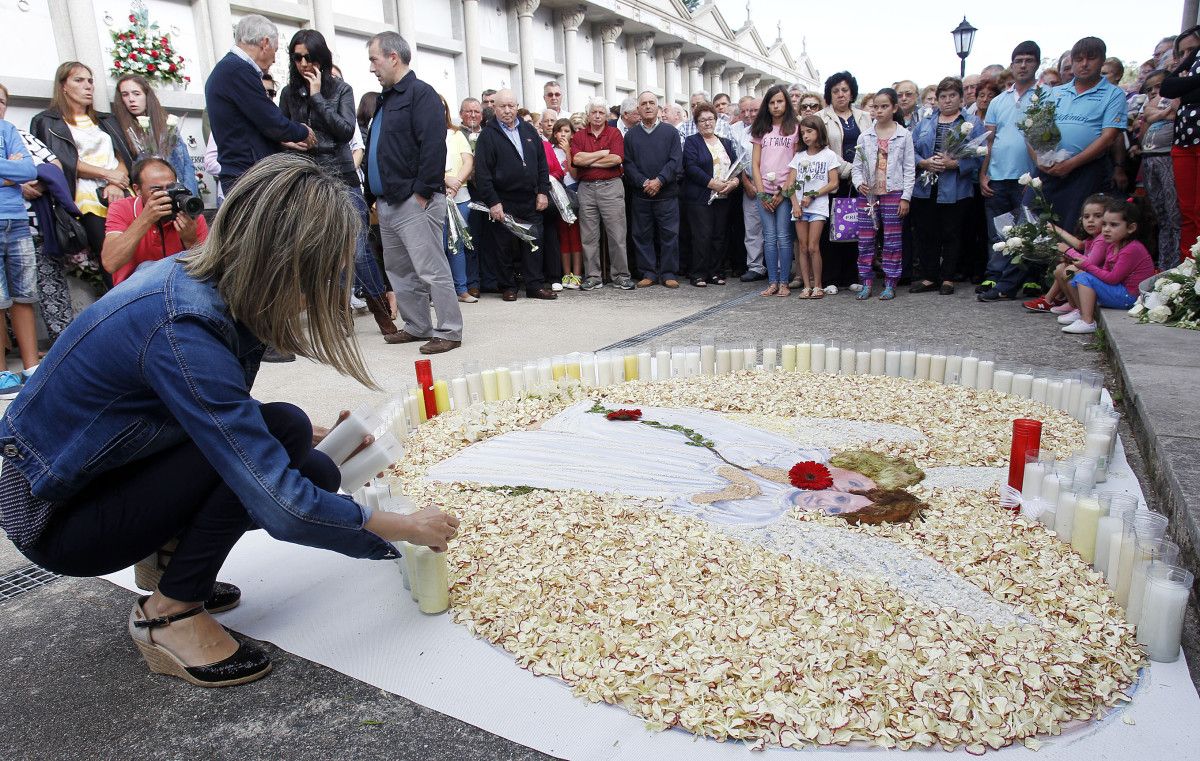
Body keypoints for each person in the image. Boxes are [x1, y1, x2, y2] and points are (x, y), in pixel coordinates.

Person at [0, 154, 460, 688]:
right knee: (288, 473)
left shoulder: (195, 278)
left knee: (289, 429)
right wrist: (404, 528)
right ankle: (170, 612)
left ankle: (166, 559)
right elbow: (282, 507)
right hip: (57, 517)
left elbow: (208, 411)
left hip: (86, 480)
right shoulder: (182, 325)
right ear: (288, 260)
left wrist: (321, 439)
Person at [279, 29, 398, 342]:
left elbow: (345, 132)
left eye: (309, 56)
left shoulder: (341, 89)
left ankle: (382, 315)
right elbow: (278, 133)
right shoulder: (288, 94)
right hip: (306, 181)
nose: (303, 62)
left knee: (358, 251)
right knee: (325, 252)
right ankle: (339, 315)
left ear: (321, 56)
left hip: (342, 179)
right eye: (297, 57)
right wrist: (292, 142)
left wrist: (318, 97)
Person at [365, 31, 461, 354]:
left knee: (431, 268)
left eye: (374, 60)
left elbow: (434, 144)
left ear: (393, 57)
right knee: (400, 271)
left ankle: (449, 330)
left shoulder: (421, 94)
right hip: (388, 202)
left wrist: (421, 193)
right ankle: (418, 325)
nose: (371, 68)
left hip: (413, 201)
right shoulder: (386, 98)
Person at [31, 62, 135, 267]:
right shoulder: (47, 121)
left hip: (121, 191)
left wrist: (116, 183)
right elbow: (58, 162)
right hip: (84, 197)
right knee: (111, 260)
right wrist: (107, 175)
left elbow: (123, 157)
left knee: (137, 252)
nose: (88, 86)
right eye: (79, 80)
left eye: (90, 81)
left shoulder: (107, 120)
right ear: (64, 87)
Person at [204, 15, 315, 194]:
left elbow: (250, 125)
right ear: (265, 43)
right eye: (276, 51)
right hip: (248, 176)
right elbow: (271, 121)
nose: (275, 59)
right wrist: (302, 132)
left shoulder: (227, 69)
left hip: (242, 174)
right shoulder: (237, 70)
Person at [1037, 38, 1126, 235]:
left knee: (1074, 228)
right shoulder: (1054, 93)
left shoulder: (1113, 94)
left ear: (1102, 60)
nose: (1084, 64)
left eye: (1091, 58)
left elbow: (1109, 136)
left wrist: (1071, 164)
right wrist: (1039, 161)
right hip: (1048, 170)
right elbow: (1032, 128)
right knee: (1035, 225)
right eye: (1078, 59)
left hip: (1086, 171)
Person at [471, 89, 553, 301]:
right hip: (503, 200)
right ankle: (507, 286)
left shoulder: (529, 130)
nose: (507, 111)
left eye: (511, 106)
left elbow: (542, 164)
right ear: (494, 108)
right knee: (503, 245)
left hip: (531, 198)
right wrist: (493, 202)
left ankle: (534, 285)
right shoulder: (488, 135)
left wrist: (543, 192)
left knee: (534, 241)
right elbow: (482, 173)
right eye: (502, 106)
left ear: (517, 106)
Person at [978, 41, 1042, 303]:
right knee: (1001, 230)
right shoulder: (998, 101)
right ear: (1012, 65)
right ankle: (995, 274)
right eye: (1019, 60)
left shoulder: (1047, 96)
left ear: (1037, 63)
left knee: (1030, 230)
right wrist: (984, 173)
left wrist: (1038, 175)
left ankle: (1030, 278)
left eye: (1028, 60)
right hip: (998, 175)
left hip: (1029, 176)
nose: (1023, 65)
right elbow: (989, 140)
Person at [908, 77, 985, 296]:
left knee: (952, 232)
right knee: (926, 232)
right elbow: (909, 151)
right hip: (925, 187)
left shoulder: (971, 123)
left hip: (955, 188)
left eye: (952, 96)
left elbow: (979, 155)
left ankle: (948, 277)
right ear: (937, 100)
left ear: (961, 98)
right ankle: (929, 276)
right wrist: (923, 162)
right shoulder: (925, 122)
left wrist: (956, 164)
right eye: (943, 96)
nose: (947, 100)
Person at [101, 157, 208, 285]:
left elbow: (206, 270)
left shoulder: (189, 211)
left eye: (171, 188)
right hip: (133, 291)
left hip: (178, 288)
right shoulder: (122, 208)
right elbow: (110, 263)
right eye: (157, 190)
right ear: (137, 189)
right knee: (146, 267)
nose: (166, 195)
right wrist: (145, 219)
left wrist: (191, 240)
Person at [851, 88, 915, 301]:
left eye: (884, 106)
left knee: (892, 239)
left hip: (893, 193)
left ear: (894, 108)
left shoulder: (903, 135)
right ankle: (866, 282)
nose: (879, 111)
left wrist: (906, 197)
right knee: (866, 239)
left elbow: (909, 168)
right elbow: (857, 166)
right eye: (875, 107)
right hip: (868, 195)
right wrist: (859, 183)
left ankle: (890, 282)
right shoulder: (866, 135)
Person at [1055, 198, 1154, 334]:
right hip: (1120, 291)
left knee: (1084, 278)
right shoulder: (1113, 245)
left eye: (1113, 225)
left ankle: (1087, 321)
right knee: (1076, 275)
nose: (1106, 230)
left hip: (1130, 298)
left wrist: (1086, 266)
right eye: (1104, 224)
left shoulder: (1132, 249)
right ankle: (1081, 311)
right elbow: (1105, 271)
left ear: (1131, 228)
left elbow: (1113, 278)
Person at [571, 97, 635, 291]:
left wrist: (588, 161)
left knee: (617, 234)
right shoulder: (580, 135)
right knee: (588, 236)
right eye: (593, 112)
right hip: (587, 189)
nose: (597, 115)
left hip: (611, 186)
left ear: (606, 114)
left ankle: (621, 275)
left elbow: (616, 159)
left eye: (601, 112)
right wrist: (601, 154)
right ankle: (593, 276)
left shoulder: (614, 133)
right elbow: (576, 159)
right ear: (588, 115)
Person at [818, 72, 872, 292]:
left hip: (859, 183)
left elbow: (870, 146)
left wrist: (859, 173)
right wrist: (849, 170)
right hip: (833, 180)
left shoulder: (864, 116)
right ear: (829, 94)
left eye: (844, 90)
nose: (840, 94)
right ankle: (831, 278)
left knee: (854, 227)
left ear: (852, 93)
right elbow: (823, 149)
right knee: (831, 228)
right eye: (835, 91)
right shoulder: (822, 117)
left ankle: (852, 275)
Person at [623, 91, 683, 288]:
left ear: (658, 108)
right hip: (641, 195)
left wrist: (660, 180)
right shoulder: (631, 135)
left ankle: (668, 273)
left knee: (669, 235)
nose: (648, 106)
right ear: (638, 109)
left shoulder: (671, 132)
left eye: (652, 103)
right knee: (641, 235)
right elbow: (629, 164)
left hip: (666, 194)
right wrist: (644, 182)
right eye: (643, 104)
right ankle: (648, 272)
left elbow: (675, 161)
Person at [0, 113, 38, 396]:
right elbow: (17, 173)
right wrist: (9, 173)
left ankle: (31, 367)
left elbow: (28, 171)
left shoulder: (8, 129)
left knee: (25, 295)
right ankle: (2, 374)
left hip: (17, 221)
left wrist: (14, 175)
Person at [111, 75, 199, 196]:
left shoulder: (165, 124)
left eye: (136, 93)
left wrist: (189, 195)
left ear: (147, 96)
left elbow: (186, 164)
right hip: (148, 197)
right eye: (125, 95)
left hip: (178, 192)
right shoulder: (119, 129)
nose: (131, 99)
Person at [682, 103, 739, 287]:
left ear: (716, 120)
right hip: (700, 197)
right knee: (702, 236)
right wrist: (713, 183)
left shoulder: (726, 143)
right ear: (697, 123)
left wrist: (733, 183)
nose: (707, 123)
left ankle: (716, 272)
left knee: (719, 236)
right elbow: (690, 167)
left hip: (723, 197)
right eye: (702, 120)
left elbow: (735, 168)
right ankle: (698, 274)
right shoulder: (692, 141)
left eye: (710, 119)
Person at [751, 84, 799, 296]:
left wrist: (783, 193)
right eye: (772, 102)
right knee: (769, 237)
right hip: (764, 192)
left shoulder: (795, 128)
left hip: (785, 192)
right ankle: (772, 281)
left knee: (784, 237)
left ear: (786, 102)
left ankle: (784, 282)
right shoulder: (761, 129)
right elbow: (755, 164)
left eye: (780, 101)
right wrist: (761, 193)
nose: (776, 106)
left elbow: (797, 163)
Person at [787, 116, 839, 299]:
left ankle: (818, 285)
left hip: (818, 207)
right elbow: (789, 184)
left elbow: (833, 182)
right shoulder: (799, 156)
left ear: (819, 131)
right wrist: (795, 204)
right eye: (803, 133)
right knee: (802, 247)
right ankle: (806, 286)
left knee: (813, 247)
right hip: (799, 209)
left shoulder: (828, 155)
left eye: (810, 131)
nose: (806, 136)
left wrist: (813, 195)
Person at [1162, 26, 1200, 262]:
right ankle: (1188, 267)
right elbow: (1167, 88)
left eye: (1192, 49)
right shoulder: (1189, 64)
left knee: (1199, 210)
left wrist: (1185, 91)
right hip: (1183, 142)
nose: (1187, 56)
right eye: (1182, 52)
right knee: (1186, 212)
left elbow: (1181, 92)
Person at [1135, 70, 1180, 270]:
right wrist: (1159, 114)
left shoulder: (1178, 98)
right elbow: (1148, 115)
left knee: (1174, 215)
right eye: (1150, 88)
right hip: (1149, 158)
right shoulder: (1153, 104)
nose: (1154, 92)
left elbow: (1174, 112)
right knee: (1160, 215)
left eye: (1159, 86)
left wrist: (1156, 114)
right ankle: (1164, 264)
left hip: (1168, 158)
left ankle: (1178, 264)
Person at [1041, 194, 1108, 314]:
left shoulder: (1102, 239)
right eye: (1086, 216)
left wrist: (1068, 251)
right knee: (1060, 268)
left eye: (1097, 216)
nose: (1091, 220)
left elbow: (1089, 263)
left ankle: (1081, 310)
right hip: (1092, 278)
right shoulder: (1092, 238)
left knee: (1069, 270)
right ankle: (1074, 305)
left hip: (1100, 281)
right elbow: (1080, 246)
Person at [440, 95, 476, 303]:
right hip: (436, 194)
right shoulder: (422, 133)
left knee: (458, 243)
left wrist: (456, 182)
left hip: (460, 195)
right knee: (439, 245)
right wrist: (446, 179)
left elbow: (468, 160)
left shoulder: (456, 134)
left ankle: (461, 289)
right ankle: (442, 292)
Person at [731, 95, 765, 282]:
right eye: (746, 110)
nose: (750, 114)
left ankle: (776, 267)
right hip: (749, 184)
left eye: (754, 110)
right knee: (752, 229)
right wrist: (746, 183)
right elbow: (739, 161)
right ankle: (755, 266)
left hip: (771, 185)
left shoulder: (772, 129)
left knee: (773, 230)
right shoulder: (743, 132)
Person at [550, 118, 582, 289]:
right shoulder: (550, 150)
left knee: (575, 234)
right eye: (559, 131)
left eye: (566, 131)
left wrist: (568, 152)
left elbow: (576, 174)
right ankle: (565, 273)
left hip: (574, 193)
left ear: (572, 133)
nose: (562, 134)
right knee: (563, 235)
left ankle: (576, 274)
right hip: (557, 194)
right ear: (554, 134)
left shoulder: (575, 150)